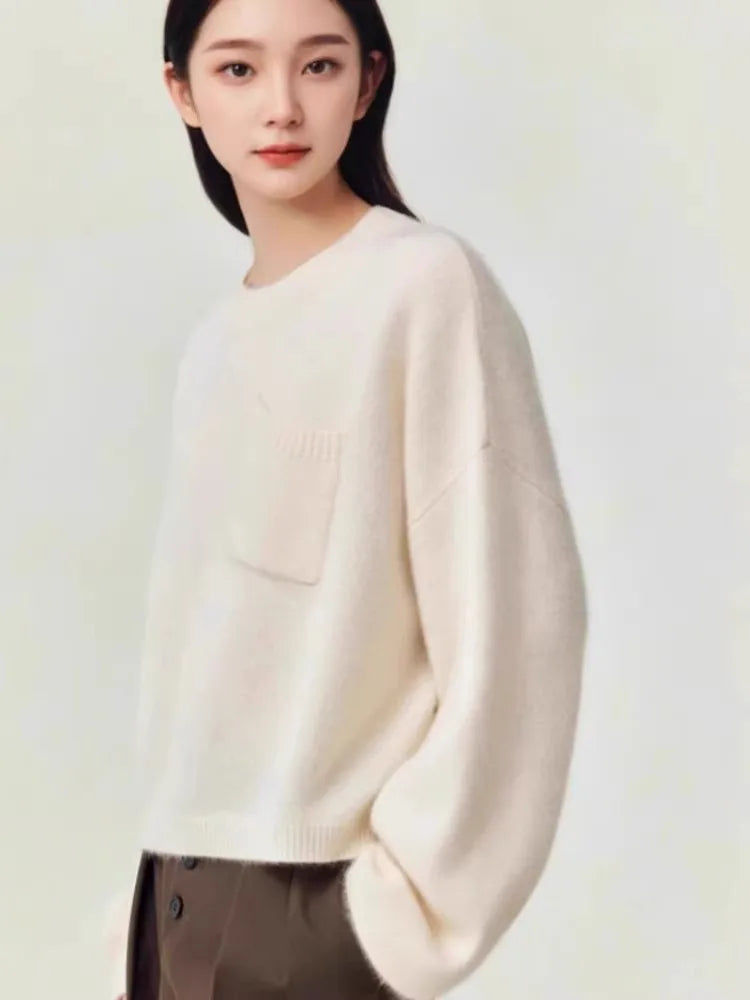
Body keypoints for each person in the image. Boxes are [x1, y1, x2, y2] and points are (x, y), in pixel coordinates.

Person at [103, 0, 589, 998]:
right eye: (238, 70)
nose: (281, 106)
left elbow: (522, 633)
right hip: (171, 904)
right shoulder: (213, 345)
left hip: (310, 912)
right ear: (181, 92)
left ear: (368, 82)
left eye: (318, 66)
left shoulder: (424, 288)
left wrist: (396, 919)